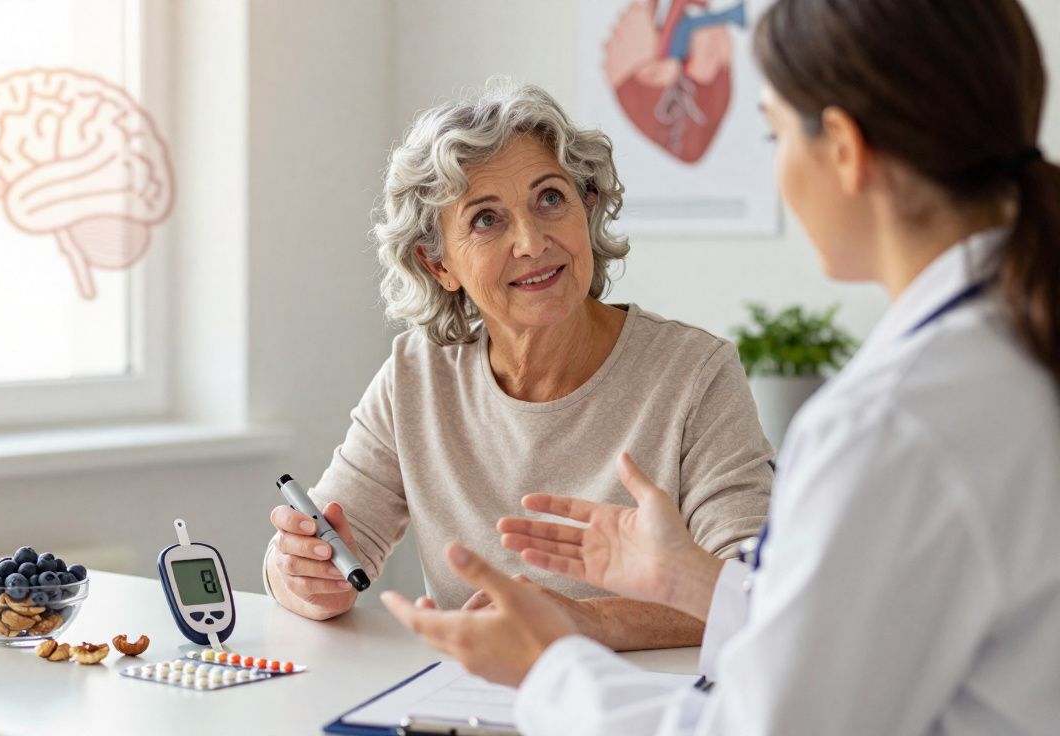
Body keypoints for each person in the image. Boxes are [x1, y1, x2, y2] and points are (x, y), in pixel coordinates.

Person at [381, 0, 1060, 733]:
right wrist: (693, 580)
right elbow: (858, 640)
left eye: (774, 134)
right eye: (487, 218)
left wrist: (549, 665)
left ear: (842, 148)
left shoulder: (888, 425)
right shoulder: (1006, 351)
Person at [263, 81, 774, 651]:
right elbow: (328, 545)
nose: (531, 241)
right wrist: (301, 573)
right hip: (472, 691)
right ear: (438, 264)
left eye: (550, 198)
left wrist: (588, 622)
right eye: (486, 219)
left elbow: (759, 592)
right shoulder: (416, 375)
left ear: (587, 208)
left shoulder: (695, 373)